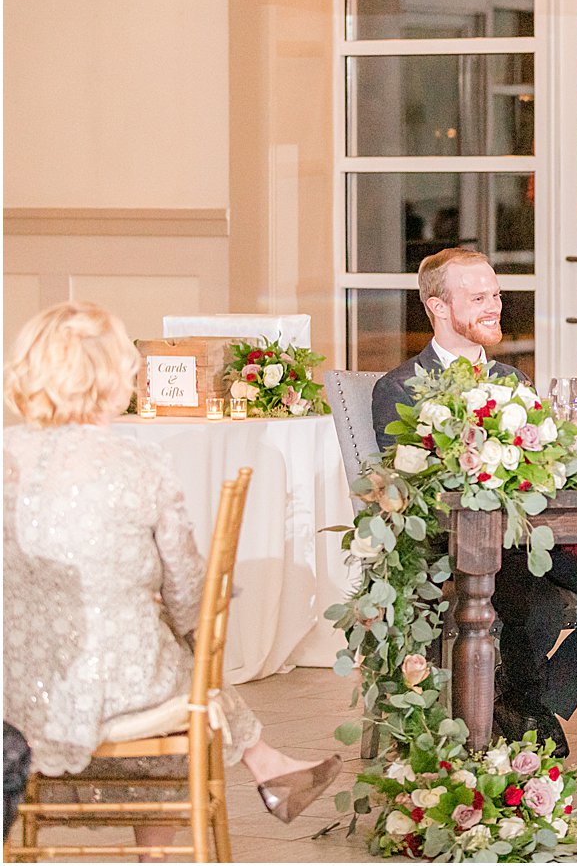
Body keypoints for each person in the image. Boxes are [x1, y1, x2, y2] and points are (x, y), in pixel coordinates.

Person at [2, 302, 341, 854]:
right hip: (123, 686)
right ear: (113, 376)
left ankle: (268, 767)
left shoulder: (4, 457)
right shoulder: (139, 463)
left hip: (13, 686)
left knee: (161, 652)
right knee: (180, 657)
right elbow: (189, 599)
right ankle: (167, 843)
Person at [370, 248, 577, 758]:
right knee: (540, 608)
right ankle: (516, 706)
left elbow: (551, 464)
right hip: (467, 544)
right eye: (479, 297)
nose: (494, 307)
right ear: (437, 308)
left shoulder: (514, 381)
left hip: (541, 536)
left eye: (496, 295)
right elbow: (417, 491)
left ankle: (528, 699)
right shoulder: (400, 387)